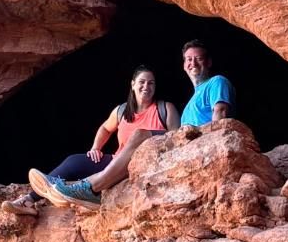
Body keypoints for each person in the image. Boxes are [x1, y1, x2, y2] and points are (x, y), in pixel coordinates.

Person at [29, 67, 178, 205]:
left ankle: (91, 189)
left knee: (139, 134)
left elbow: (177, 137)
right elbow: (105, 128)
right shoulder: (122, 111)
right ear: (133, 85)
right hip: (117, 161)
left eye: (151, 83)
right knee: (73, 161)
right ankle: (29, 199)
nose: (146, 86)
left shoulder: (165, 109)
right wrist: (96, 148)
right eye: (142, 82)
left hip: (143, 163)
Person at [179, 38, 234, 127]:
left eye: (199, 58)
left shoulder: (216, 82)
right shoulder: (188, 107)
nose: (193, 63)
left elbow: (220, 114)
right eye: (189, 59)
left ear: (209, 62)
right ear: (184, 66)